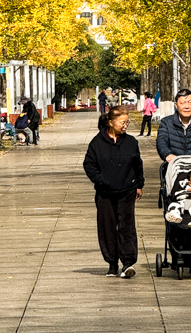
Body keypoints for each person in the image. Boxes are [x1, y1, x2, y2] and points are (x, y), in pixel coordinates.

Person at [83, 105, 144, 279]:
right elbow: (89, 165)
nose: (125, 125)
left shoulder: (131, 142)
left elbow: (137, 165)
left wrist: (139, 184)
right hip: (105, 193)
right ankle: (112, 263)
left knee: (126, 227)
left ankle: (128, 263)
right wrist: (100, 179)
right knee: (107, 227)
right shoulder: (97, 143)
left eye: (127, 122)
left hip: (127, 190)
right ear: (111, 122)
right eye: (122, 122)